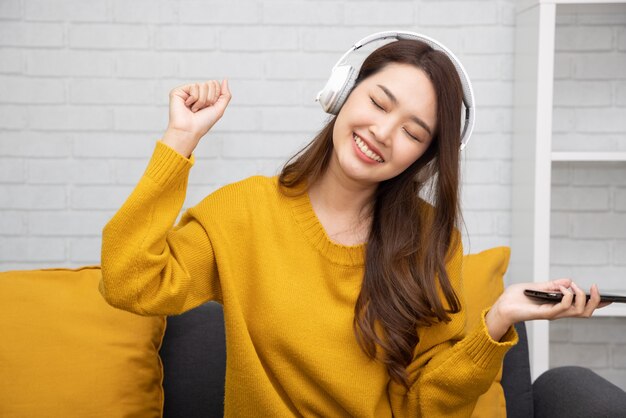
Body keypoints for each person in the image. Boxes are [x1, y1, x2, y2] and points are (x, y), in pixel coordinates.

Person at [99, 33, 608, 417]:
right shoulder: (244, 211)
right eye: (378, 103)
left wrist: (497, 320)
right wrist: (179, 141)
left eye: (412, 131)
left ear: (424, 157)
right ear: (342, 91)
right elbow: (129, 282)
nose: (382, 133)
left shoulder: (431, 242)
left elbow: (423, 406)